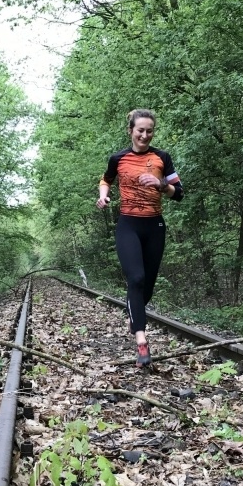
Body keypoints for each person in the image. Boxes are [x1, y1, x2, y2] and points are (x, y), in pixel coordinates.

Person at [96, 109, 184, 367]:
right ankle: (142, 341)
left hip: (155, 225)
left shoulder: (162, 158)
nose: (144, 135)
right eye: (140, 130)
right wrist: (103, 195)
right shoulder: (118, 158)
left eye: (149, 131)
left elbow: (178, 193)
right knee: (136, 277)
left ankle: (134, 314)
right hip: (128, 224)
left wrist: (161, 186)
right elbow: (106, 180)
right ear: (131, 131)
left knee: (147, 286)